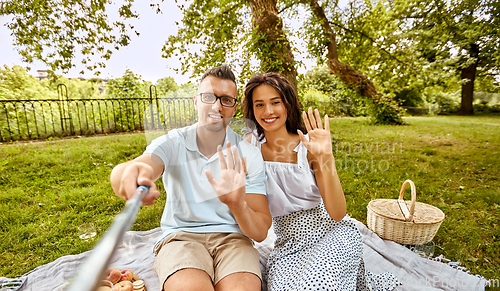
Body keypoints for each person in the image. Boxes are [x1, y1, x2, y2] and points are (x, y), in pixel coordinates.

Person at [110, 65, 272, 291]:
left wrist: (237, 205)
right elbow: (142, 165)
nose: (216, 106)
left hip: (234, 240)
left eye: (226, 100)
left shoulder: (249, 154)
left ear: (234, 108)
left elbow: (261, 232)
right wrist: (128, 173)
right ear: (196, 101)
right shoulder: (173, 142)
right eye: (209, 97)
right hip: (180, 239)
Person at [242, 72, 400, 291]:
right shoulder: (250, 146)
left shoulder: (309, 146)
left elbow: (337, 212)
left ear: (287, 104)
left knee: (317, 286)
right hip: (288, 243)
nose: (268, 111)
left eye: (275, 102)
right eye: (259, 104)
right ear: (252, 109)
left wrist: (326, 157)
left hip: (331, 232)